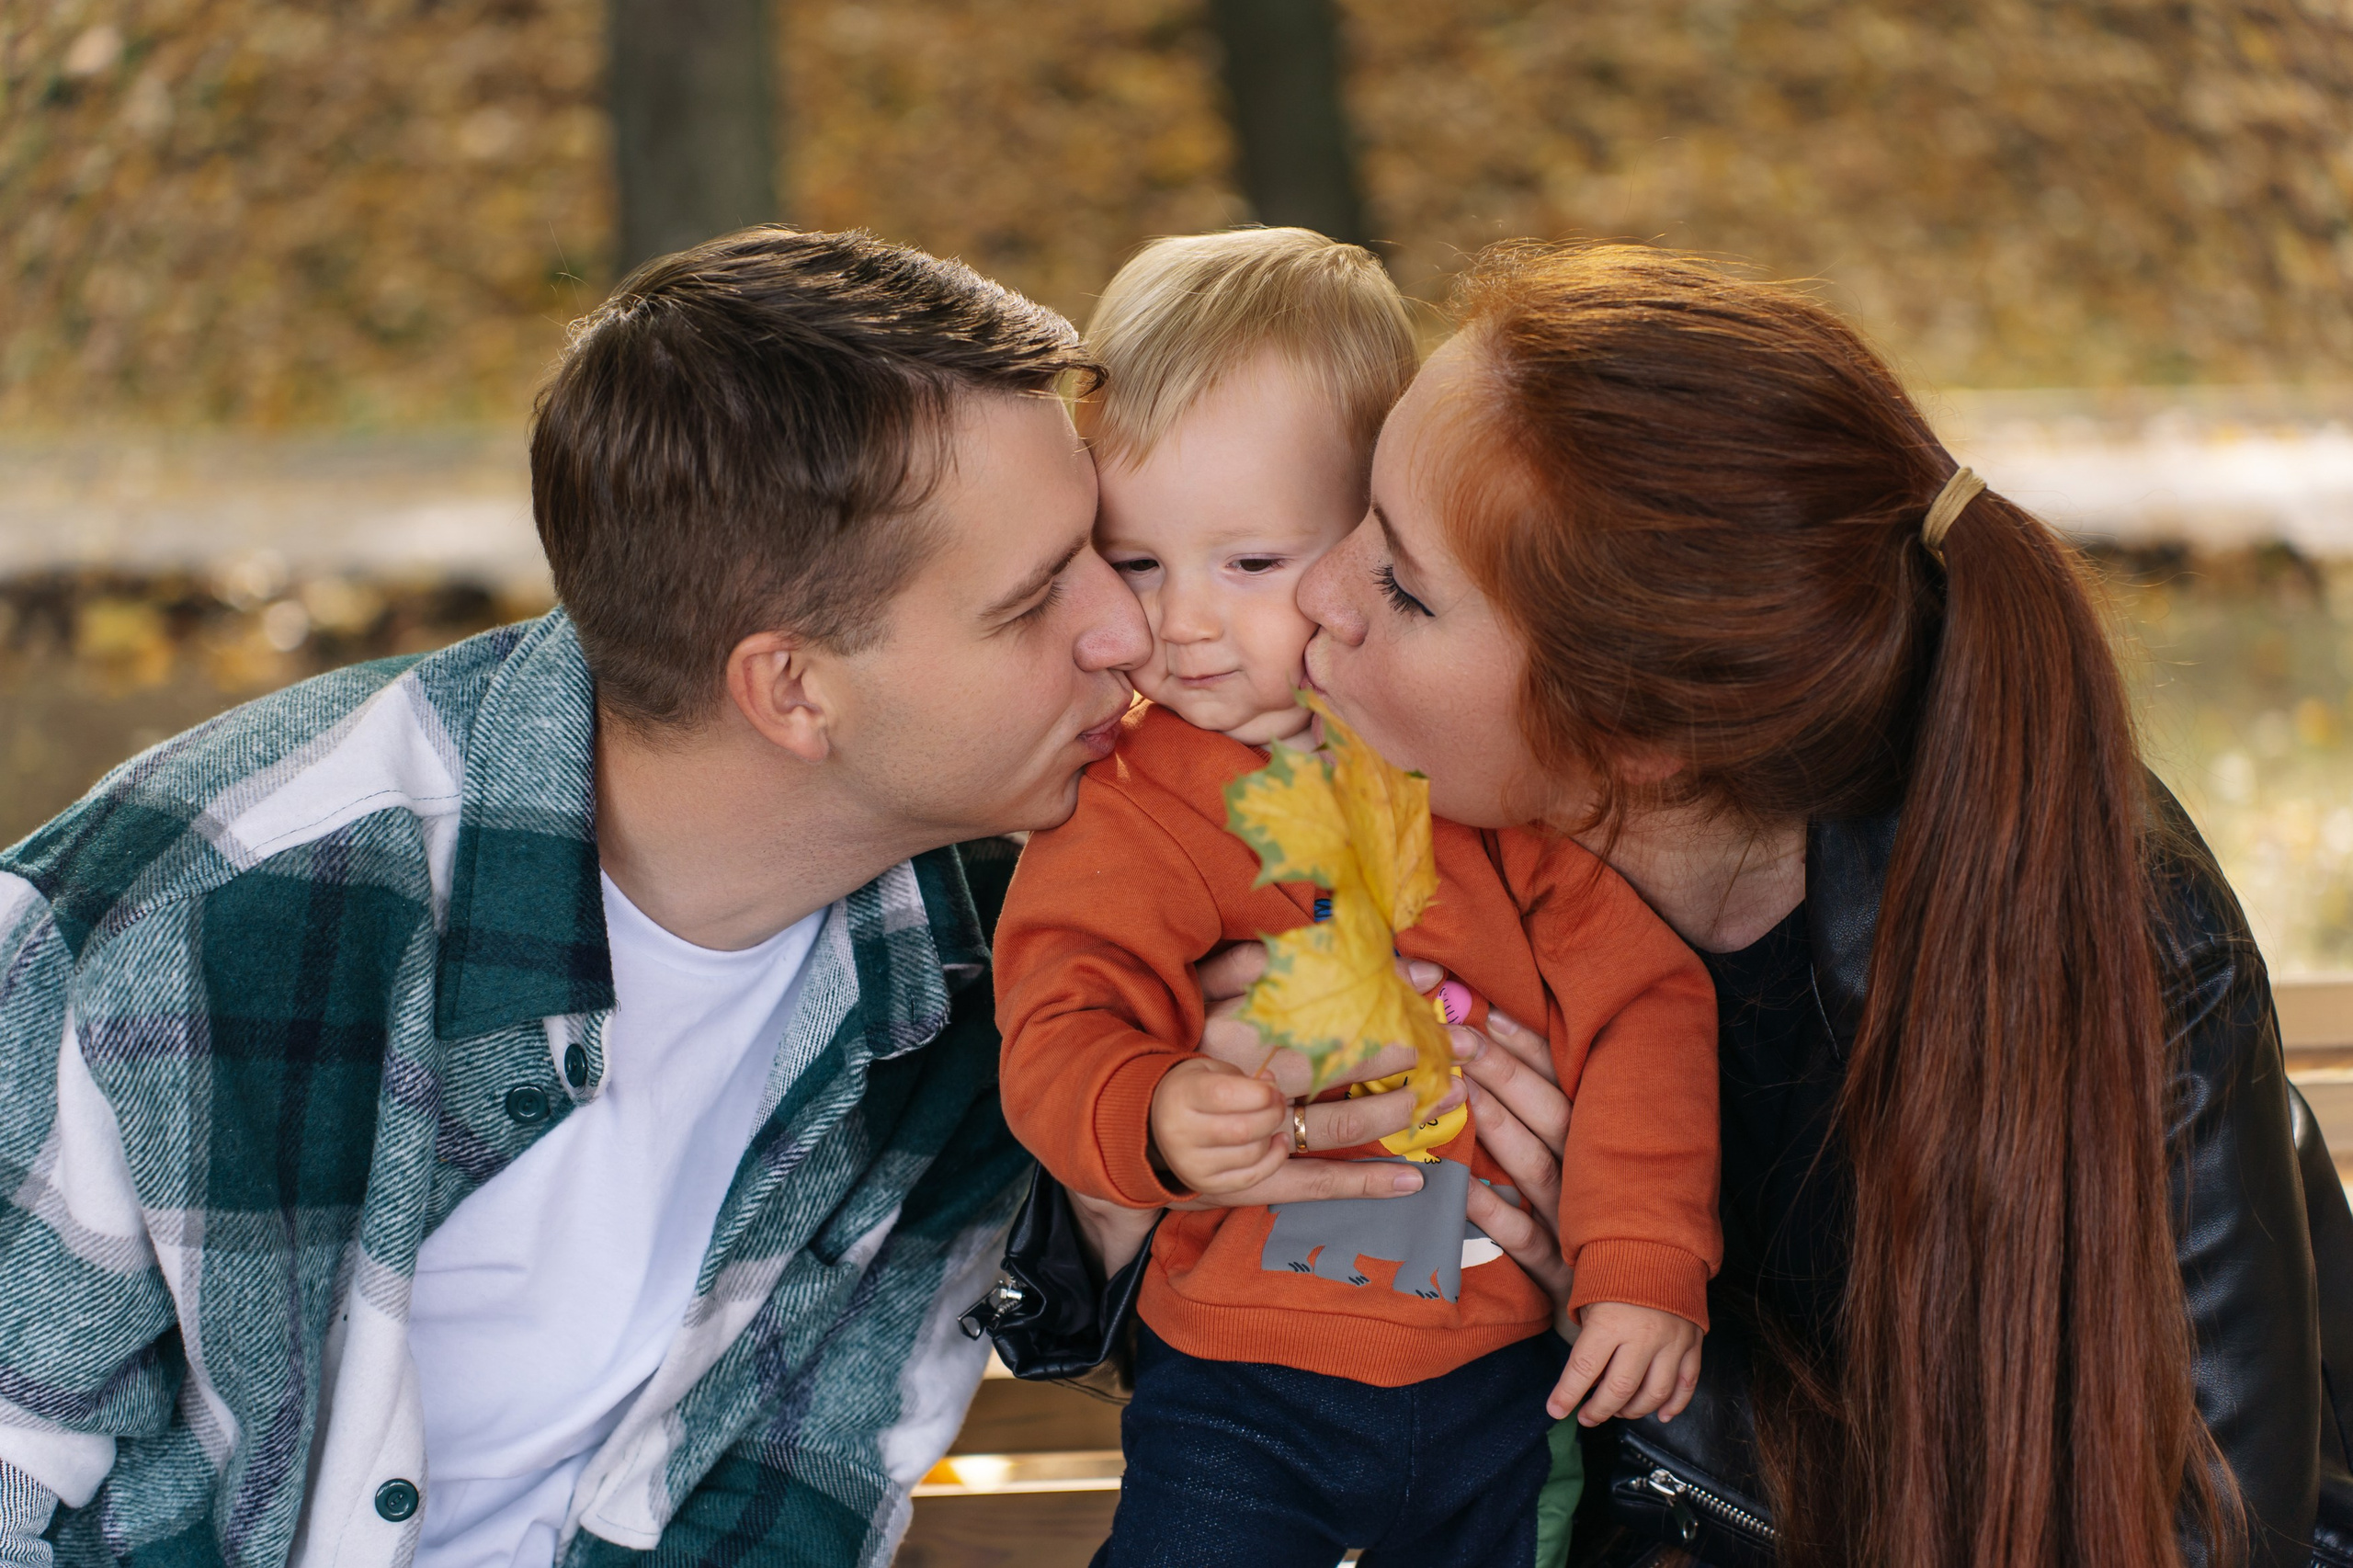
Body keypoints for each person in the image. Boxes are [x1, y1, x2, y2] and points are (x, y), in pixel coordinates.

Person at [1020, 239, 2351, 1568]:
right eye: (1352, 517)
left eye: (1403, 586)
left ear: (1629, 734)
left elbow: (2196, 1530)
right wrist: (1131, 1184)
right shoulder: (1309, 822)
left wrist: (1609, 1322)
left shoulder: (2104, 936)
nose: (1317, 593)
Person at [0, 226, 1162, 1568]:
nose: (1123, 629)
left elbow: (802, 1485)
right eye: (1032, 603)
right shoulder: (187, 925)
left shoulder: (991, 958)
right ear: (792, 689)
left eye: (1103, 551)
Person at [991, 229, 1721, 1568]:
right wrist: (1147, 1112)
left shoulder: (1464, 767)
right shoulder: (1138, 799)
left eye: (1251, 563)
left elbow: (1646, 1007)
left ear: (1367, 546)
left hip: (1502, 1376)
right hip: (1241, 1383)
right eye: (1138, 562)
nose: (1184, 622)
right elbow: (1059, 1005)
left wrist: (1640, 1259)